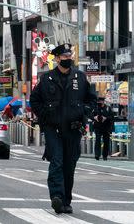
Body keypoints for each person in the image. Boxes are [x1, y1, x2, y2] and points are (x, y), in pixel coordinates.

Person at [30, 43, 97, 215]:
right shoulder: (47, 78)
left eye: (70, 56)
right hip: (53, 128)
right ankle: (57, 197)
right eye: (65, 56)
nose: (69, 59)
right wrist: (44, 115)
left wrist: (85, 112)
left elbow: (92, 100)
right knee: (57, 161)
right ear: (57, 58)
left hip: (74, 128)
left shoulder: (80, 78)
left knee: (69, 165)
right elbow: (35, 101)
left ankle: (66, 200)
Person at [92, 96, 114, 161]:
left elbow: (112, 117)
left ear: (103, 101)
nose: (99, 102)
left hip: (106, 127)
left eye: (101, 101)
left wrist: (106, 118)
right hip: (98, 127)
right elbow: (90, 115)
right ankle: (97, 155)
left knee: (106, 142)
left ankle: (105, 155)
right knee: (98, 140)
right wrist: (94, 117)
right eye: (98, 101)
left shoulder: (108, 108)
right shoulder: (95, 108)